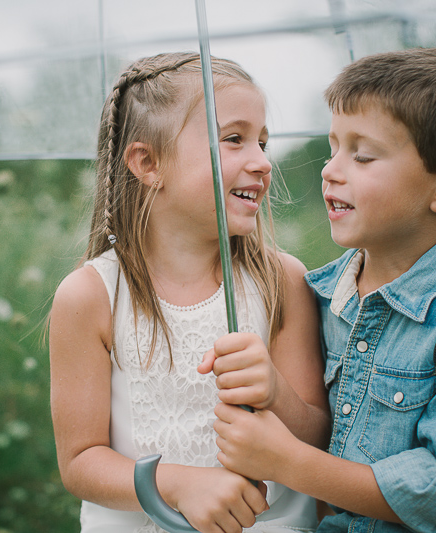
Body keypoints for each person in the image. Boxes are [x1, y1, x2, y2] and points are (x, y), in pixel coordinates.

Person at [210, 48, 436, 532]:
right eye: (333, 147)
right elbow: (321, 427)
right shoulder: (321, 295)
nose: (330, 169)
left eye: (363, 155)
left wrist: (285, 461)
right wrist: (274, 393)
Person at [48, 51, 331, 533]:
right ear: (147, 162)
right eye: (234, 139)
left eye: (263, 141)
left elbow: (319, 436)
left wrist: (276, 393)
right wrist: (177, 484)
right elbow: (80, 460)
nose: (263, 162)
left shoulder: (280, 281)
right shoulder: (91, 296)